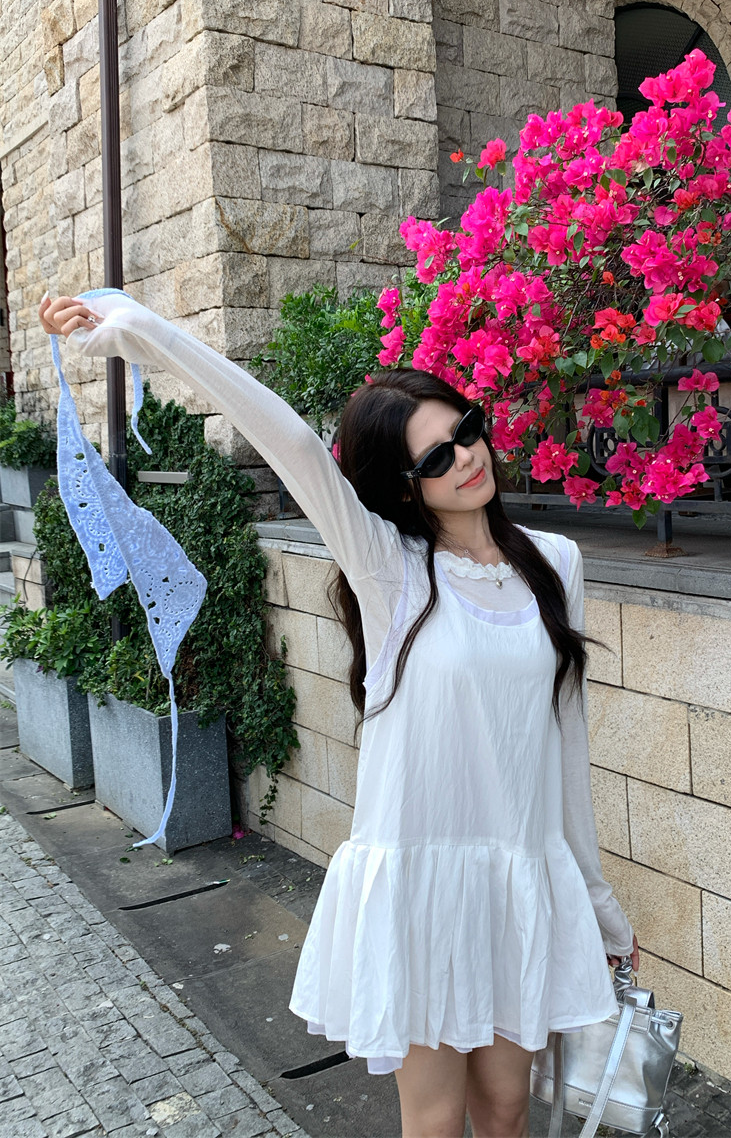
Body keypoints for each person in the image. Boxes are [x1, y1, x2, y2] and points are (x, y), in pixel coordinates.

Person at [39, 292, 638, 1138]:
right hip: (422, 892)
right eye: (436, 459)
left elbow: (565, 747)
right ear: (402, 486)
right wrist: (145, 334)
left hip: (521, 886)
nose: (467, 458)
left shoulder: (556, 563)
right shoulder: (390, 569)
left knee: (508, 1111)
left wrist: (599, 905)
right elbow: (289, 441)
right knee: (435, 1122)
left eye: (467, 430)